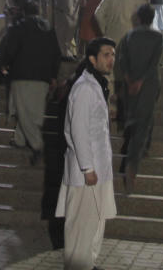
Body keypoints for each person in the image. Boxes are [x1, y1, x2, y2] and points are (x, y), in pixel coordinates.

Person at [56, 37, 117, 270]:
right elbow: (77, 130)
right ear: (93, 59)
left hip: (99, 169)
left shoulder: (96, 84)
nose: (111, 59)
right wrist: (87, 168)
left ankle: (88, 264)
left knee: (95, 221)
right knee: (81, 224)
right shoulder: (83, 88)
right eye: (106, 55)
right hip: (86, 172)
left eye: (112, 54)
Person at [0, 0, 61, 165]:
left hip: (22, 74)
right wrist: (54, 75)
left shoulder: (19, 28)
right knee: (30, 110)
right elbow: (56, 53)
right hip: (43, 77)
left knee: (24, 111)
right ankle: (19, 139)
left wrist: (4, 66)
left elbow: (10, 50)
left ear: (24, 12)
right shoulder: (49, 29)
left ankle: (38, 145)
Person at [116, 4, 163, 192]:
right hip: (149, 85)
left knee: (134, 117)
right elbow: (154, 63)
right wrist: (141, 81)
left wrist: (129, 79)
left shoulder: (129, 36)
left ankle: (137, 148)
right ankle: (133, 163)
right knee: (145, 120)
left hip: (130, 83)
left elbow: (122, 59)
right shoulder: (157, 37)